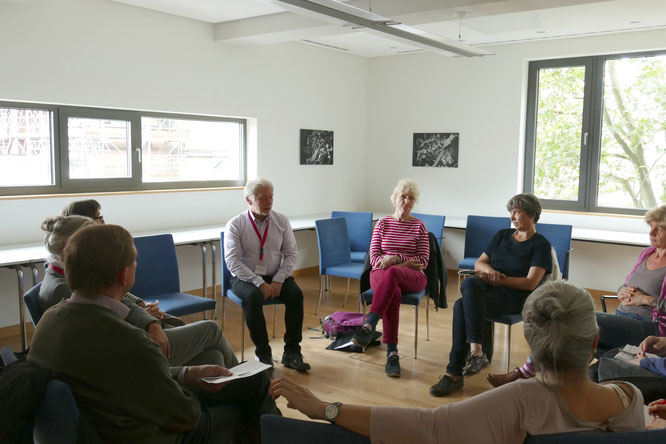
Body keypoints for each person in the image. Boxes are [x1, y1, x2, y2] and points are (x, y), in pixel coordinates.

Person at [269, 281, 645, 443]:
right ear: (595, 341)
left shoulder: (522, 400)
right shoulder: (632, 401)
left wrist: (324, 408)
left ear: (529, 339)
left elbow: (426, 428)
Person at [28, 224, 279, 443]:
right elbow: (185, 415)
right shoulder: (128, 338)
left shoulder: (48, 322)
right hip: (154, 435)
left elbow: (121, 375)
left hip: (104, 423)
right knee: (248, 397)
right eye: (134, 260)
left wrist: (186, 373)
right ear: (123, 275)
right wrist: (188, 388)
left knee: (242, 377)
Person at [487, 204, 666, 388]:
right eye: (650, 226)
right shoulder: (647, 253)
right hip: (622, 316)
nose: (651, 232)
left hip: (649, 328)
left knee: (578, 318)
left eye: (658, 228)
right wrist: (622, 291)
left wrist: (646, 300)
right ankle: (551, 380)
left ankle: (527, 373)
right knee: (568, 332)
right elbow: (626, 284)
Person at [39, 215, 238, 368]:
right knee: (210, 330)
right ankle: (247, 381)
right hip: (132, 353)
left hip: (135, 342)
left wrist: (142, 308)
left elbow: (116, 298)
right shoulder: (63, 288)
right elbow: (113, 324)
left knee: (214, 357)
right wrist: (147, 319)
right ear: (67, 247)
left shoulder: (66, 277)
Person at [430, 193, 552, 396]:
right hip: (488, 290)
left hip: (514, 297)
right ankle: (476, 350)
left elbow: (530, 283)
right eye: (510, 212)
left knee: (461, 306)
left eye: (517, 212)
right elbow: (480, 263)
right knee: (470, 284)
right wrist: (490, 273)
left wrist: (499, 279)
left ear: (532, 214)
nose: (512, 217)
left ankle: (455, 372)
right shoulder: (502, 235)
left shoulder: (541, 245)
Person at [224, 178, 310, 371]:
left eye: (271, 197)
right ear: (249, 200)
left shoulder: (281, 221)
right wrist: (258, 282)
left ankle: (292, 351)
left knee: (296, 295)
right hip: (244, 278)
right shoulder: (236, 224)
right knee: (254, 298)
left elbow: (291, 253)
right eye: (263, 198)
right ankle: (263, 353)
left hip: (275, 276)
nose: (269, 202)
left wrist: (279, 279)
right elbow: (232, 262)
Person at [351, 179, 429, 377]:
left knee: (393, 273)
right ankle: (392, 353)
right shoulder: (382, 224)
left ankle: (369, 323)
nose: (406, 201)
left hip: (412, 277)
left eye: (411, 198)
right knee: (392, 289)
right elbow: (375, 259)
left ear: (414, 203)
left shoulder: (419, 227)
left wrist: (395, 259)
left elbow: (422, 261)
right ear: (394, 199)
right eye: (403, 196)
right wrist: (404, 262)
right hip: (380, 273)